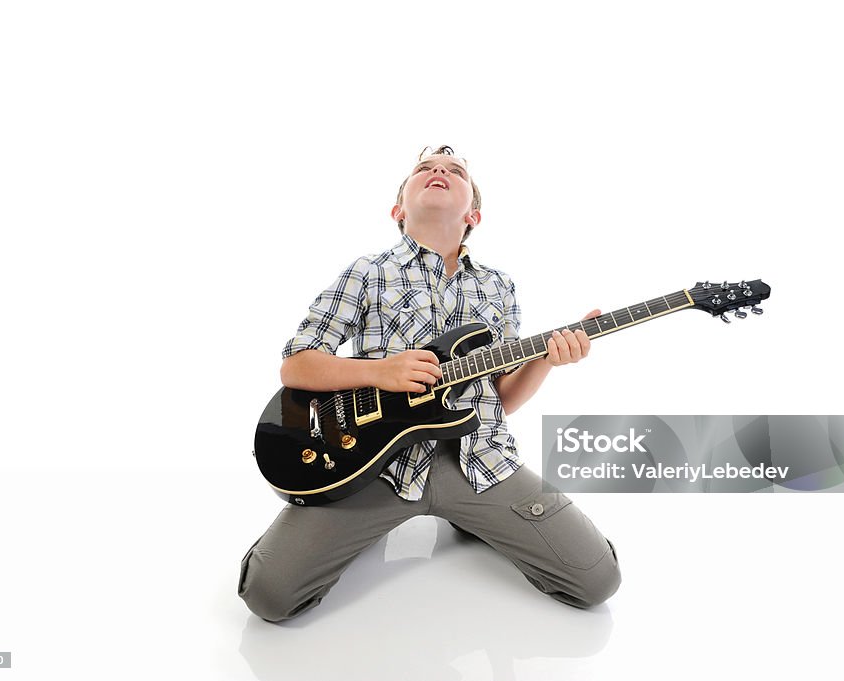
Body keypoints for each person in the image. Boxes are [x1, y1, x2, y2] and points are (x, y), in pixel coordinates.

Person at [238, 145, 621, 622]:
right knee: (268, 596)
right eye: (425, 169)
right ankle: (354, 525)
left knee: (597, 581)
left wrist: (544, 361)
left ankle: (474, 522)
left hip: (481, 460)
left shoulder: (498, 286)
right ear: (399, 209)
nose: (439, 171)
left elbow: (501, 400)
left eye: (454, 171)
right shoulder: (368, 272)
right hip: (375, 465)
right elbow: (297, 365)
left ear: (473, 215)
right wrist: (382, 371)